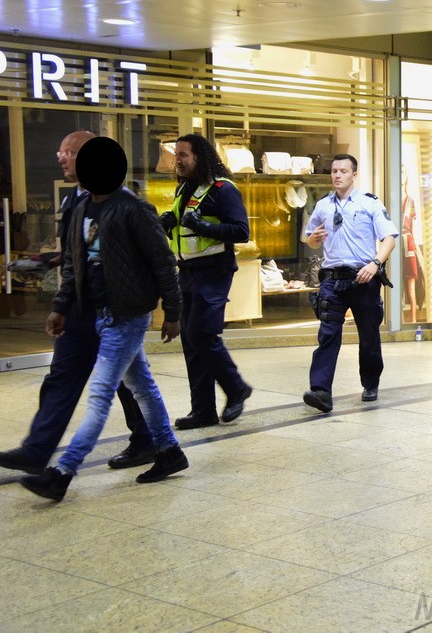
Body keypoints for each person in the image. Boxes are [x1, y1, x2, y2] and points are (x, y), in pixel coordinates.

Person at [19, 136, 187, 502]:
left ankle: (62, 473)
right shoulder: (81, 209)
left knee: (99, 396)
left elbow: (163, 263)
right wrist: (60, 306)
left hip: (126, 317)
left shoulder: (133, 209)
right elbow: (72, 264)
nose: (67, 162)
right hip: (98, 313)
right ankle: (170, 452)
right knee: (142, 386)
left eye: (74, 156)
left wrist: (172, 313)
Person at [0, 130, 156, 477]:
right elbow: (76, 256)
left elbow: (151, 259)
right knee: (64, 377)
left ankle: (149, 441)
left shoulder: (126, 202)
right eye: (60, 151)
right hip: (81, 308)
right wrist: (58, 296)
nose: (60, 157)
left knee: (124, 383)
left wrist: (167, 310)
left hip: (115, 311)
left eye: (68, 152)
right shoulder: (74, 201)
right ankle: (36, 450)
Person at [161, 134, 253, 429]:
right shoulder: (185, 189)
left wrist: (202, 226)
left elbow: (241, 231)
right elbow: (183, 231)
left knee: (202, 334)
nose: (178, 160)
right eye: (176, 155)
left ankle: (236, 387)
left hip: (214, 273)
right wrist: (168, 223)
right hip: (187, 272)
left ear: (199, 156)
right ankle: (202, 410)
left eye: (183, 155)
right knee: (191, 339)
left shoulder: (222, 189)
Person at [303, 154, 398, 409]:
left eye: (343, 171)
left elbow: (389, 238)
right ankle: (320, 391)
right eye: (334, 171)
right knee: (328, 335)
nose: (337, 175)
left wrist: (375, 263)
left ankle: (370, 383)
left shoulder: (369, 204)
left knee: (368, 335)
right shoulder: (323, 205)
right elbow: (308, 237)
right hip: (332, 281)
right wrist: (313, 240)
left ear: (354, 175)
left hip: (363, 278)